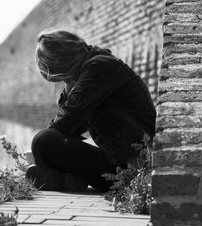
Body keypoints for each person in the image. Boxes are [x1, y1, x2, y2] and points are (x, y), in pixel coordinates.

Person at [26, 30, 156, 193]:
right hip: (118, 162)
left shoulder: (100, 66)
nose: (65, 82)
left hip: (133, 168)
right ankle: (68, 181)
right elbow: (70, 127)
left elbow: (67, 120)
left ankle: (69, 181)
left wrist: (70, 87)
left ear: (65, 66)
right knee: (43, 143)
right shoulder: (96, 66)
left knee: (42, 141)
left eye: (63, 76)